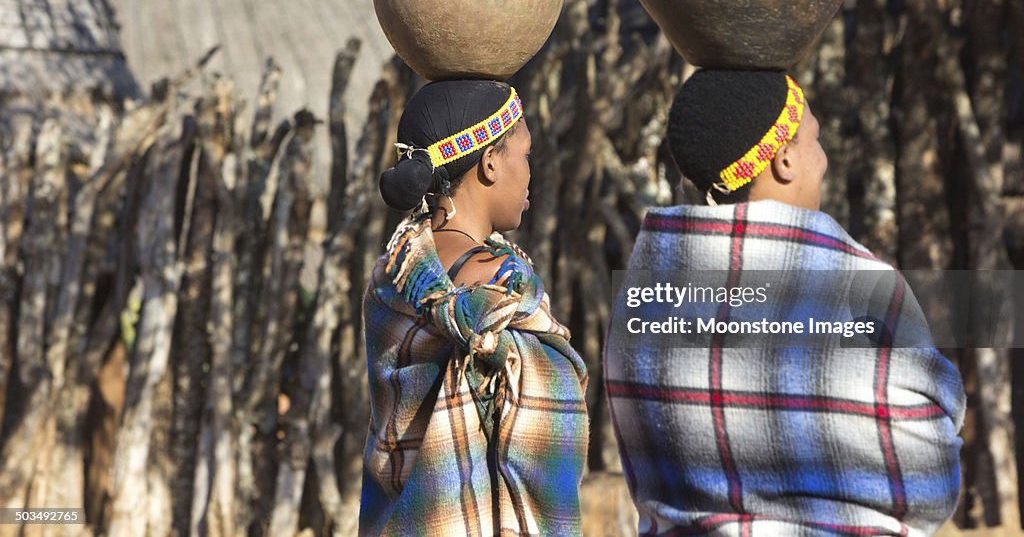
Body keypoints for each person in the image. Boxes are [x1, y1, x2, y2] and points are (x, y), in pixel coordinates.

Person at [605, 69, 965, 536]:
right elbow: (929, 479)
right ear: (785, 160)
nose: (826, 160)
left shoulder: (644, 300)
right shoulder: (863, 289)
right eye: (815, 140)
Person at [360, 79, 589, 537]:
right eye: (524, 155)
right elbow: (547, 459)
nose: (529, 172)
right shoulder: (504, 287)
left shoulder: (393, 273)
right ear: (489, 164)